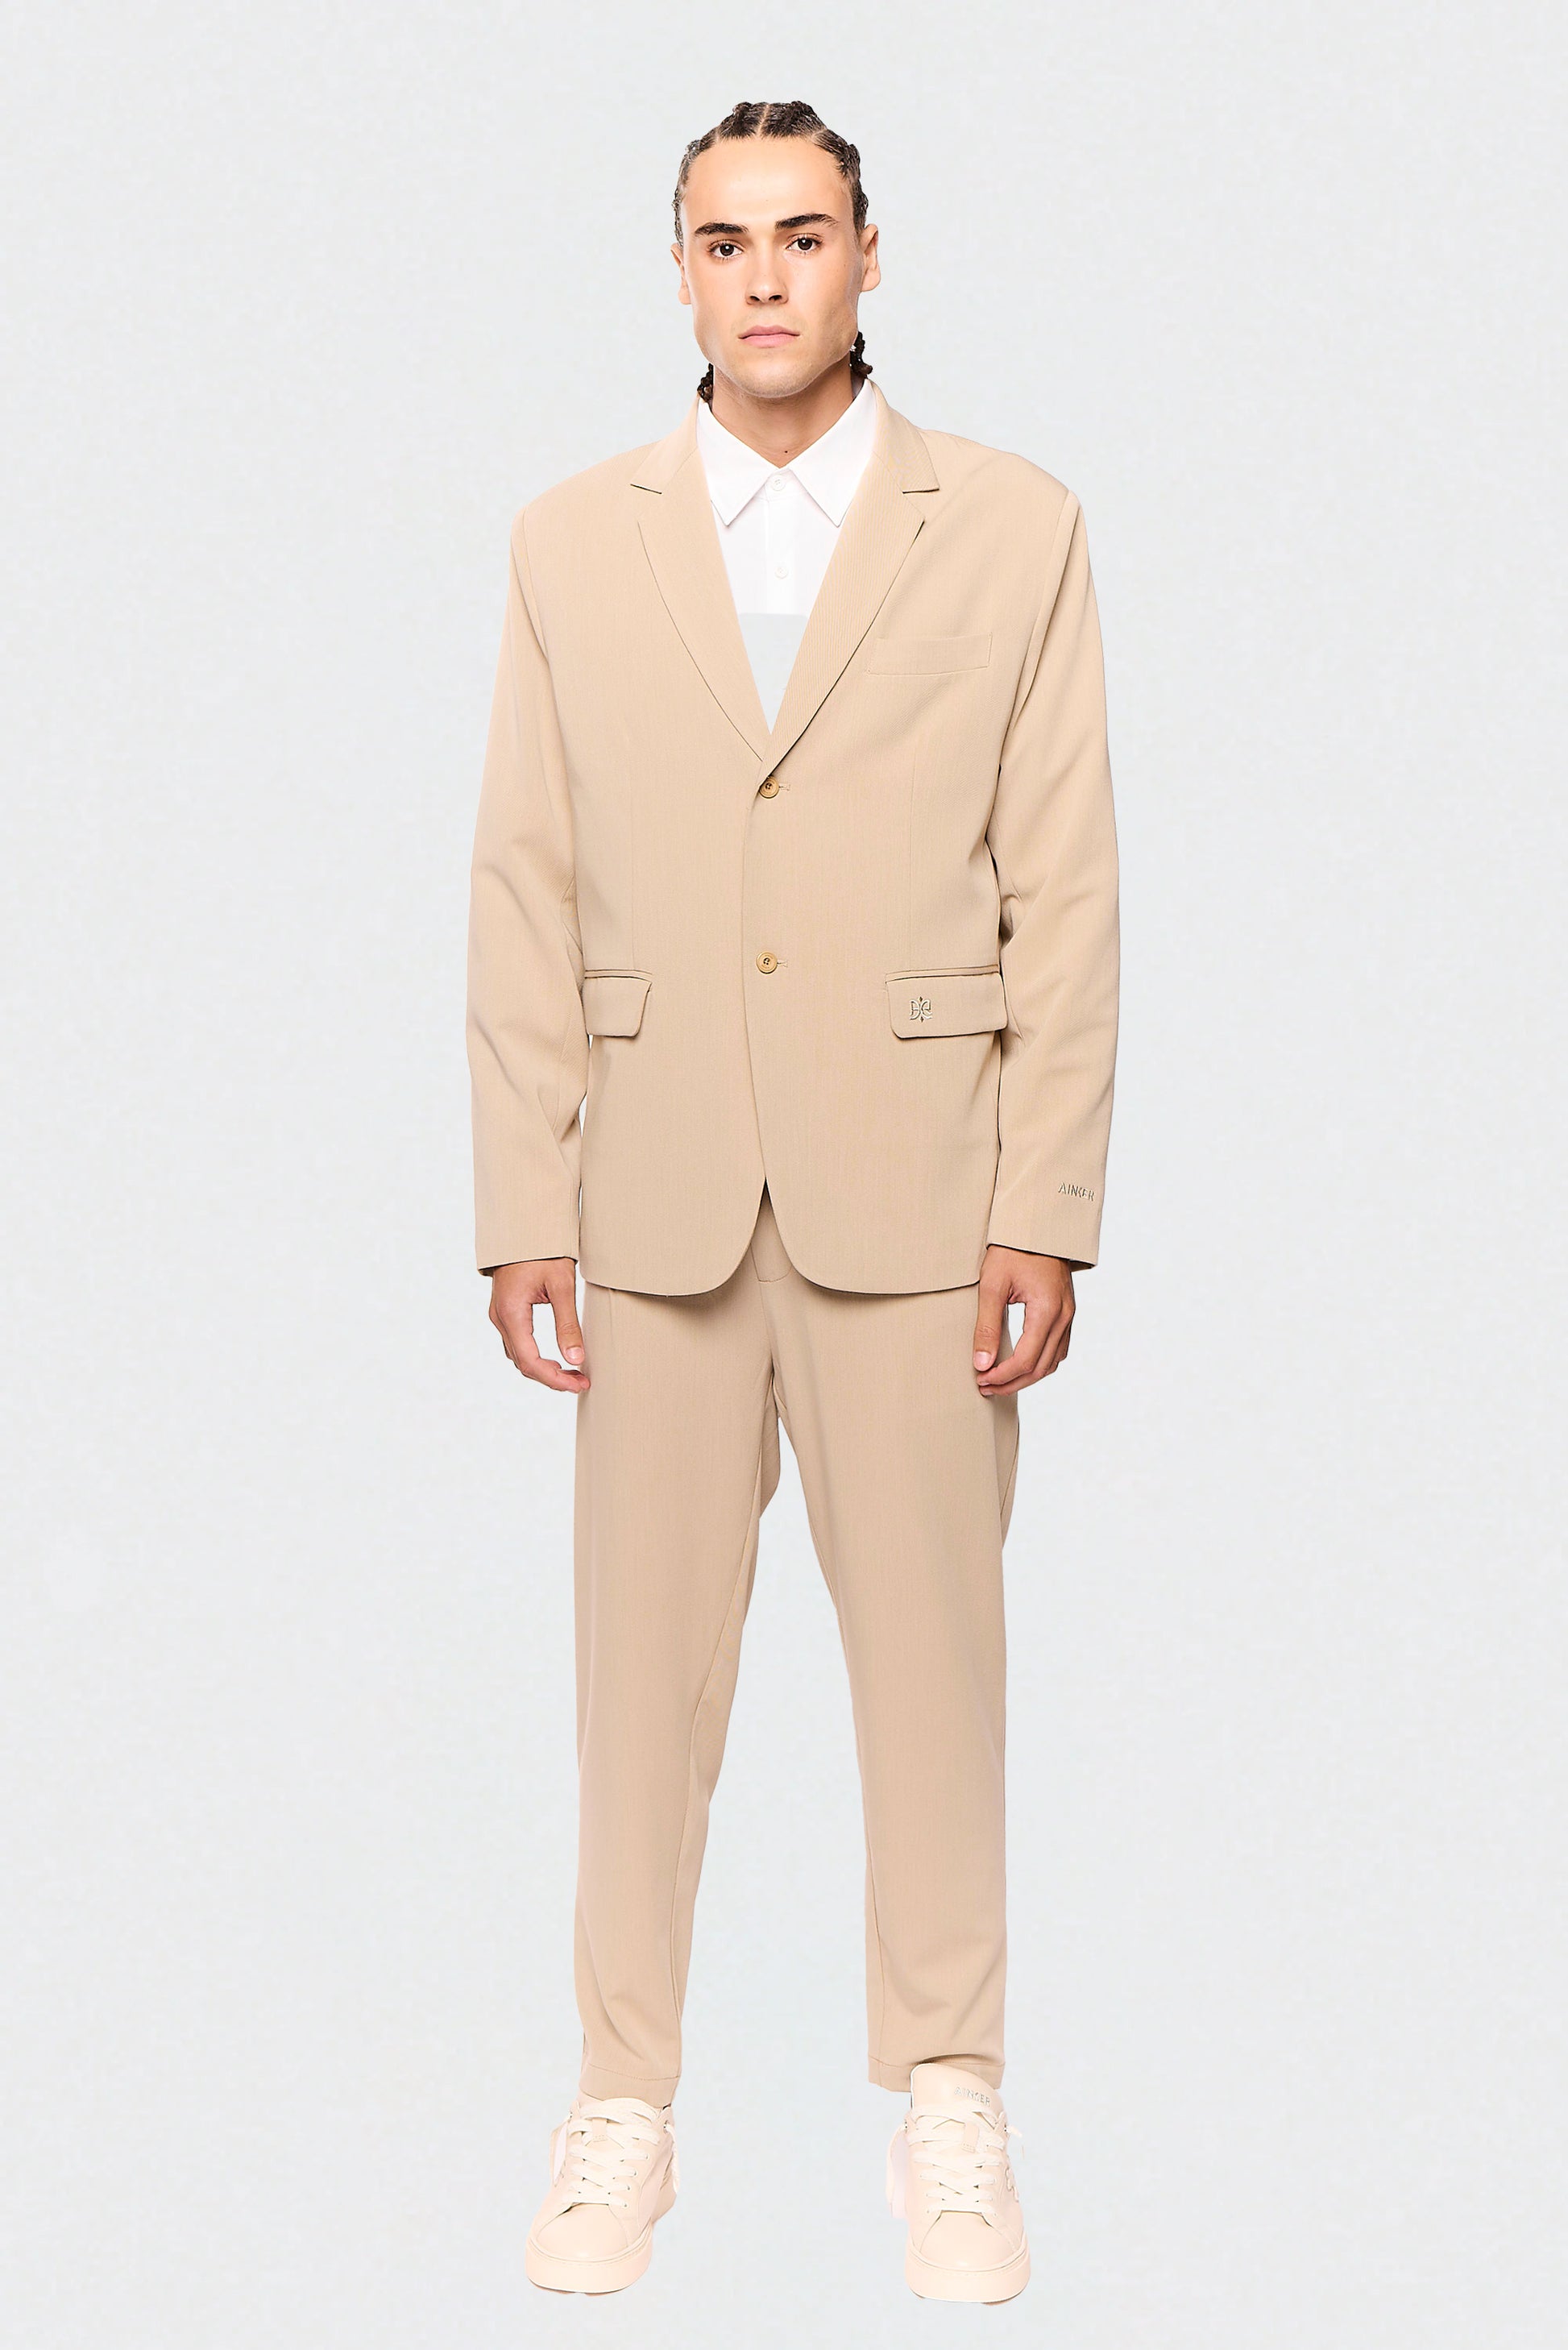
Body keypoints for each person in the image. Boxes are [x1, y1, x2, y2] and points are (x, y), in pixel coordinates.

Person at [467, 98, 1119, 2305]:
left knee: (935, 1672)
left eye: (804, 235)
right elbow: (524, 879)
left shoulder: (1011, 525)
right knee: (637, 1685)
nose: (765, 276)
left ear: (868, 259)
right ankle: (620, 2103)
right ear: (678, 270)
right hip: (651, 1190)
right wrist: (519, 1193)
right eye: (725, 240)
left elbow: (1065, 883)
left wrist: (1044, 1198)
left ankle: (951, 2094)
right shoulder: (572, 540)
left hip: (921, 1189)